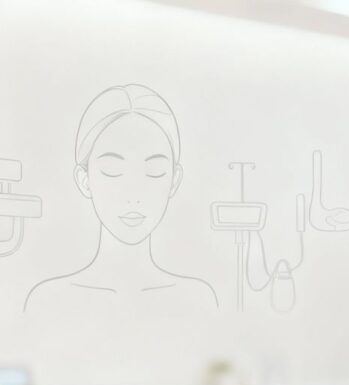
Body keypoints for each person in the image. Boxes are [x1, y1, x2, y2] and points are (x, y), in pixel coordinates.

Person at [24, 84, 218, 313]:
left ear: (174, 180)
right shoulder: (47, 302)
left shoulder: (197, 300)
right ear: (84, 179)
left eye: (155, 170)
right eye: (111, 169)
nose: (134, 195)